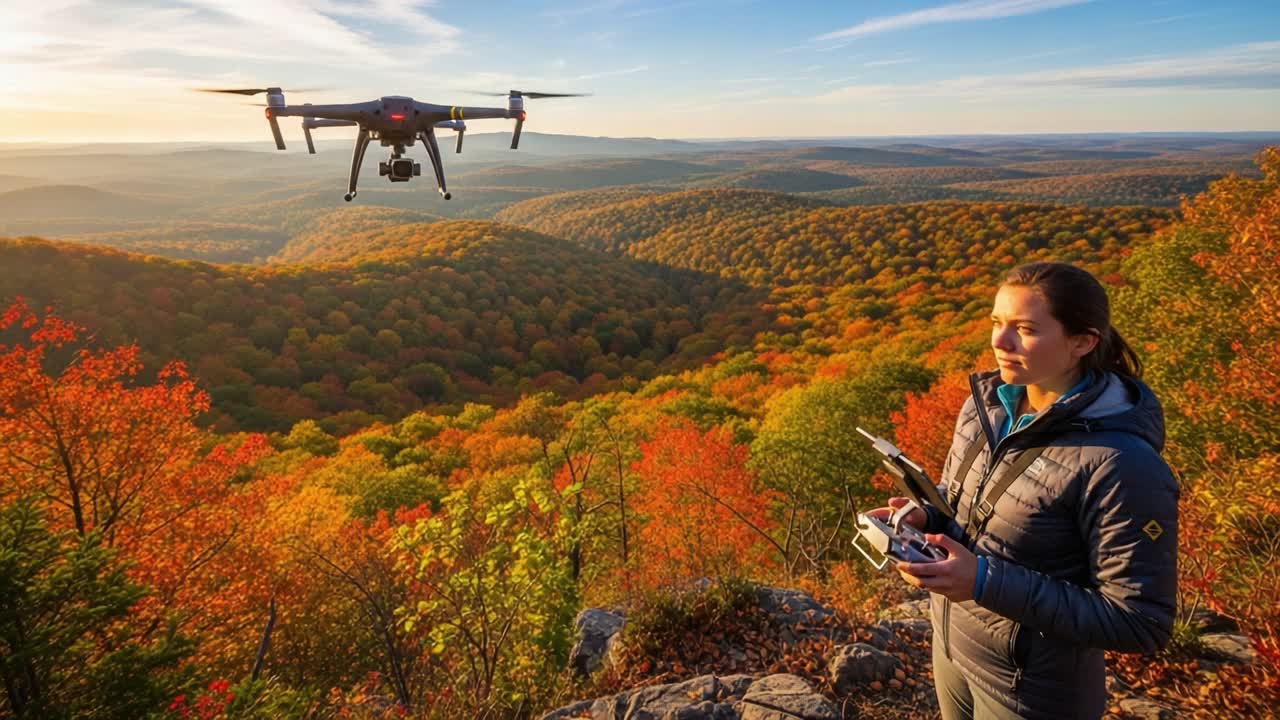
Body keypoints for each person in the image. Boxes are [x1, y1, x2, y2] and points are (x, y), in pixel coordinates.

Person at [868, 261, 1178, 720]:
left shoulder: (1120, 463)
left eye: (1025, 329)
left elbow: (1140, 622)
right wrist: (925, 517)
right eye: (997, 322)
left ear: (1082, 342)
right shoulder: (985, 409)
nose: (999, 341)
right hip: (953, 649)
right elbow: (964, 504)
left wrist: (982, 580)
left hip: (1033, 690)